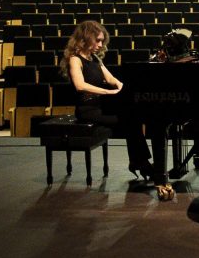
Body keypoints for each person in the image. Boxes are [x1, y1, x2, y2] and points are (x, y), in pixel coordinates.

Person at [60, 20, 163, 194]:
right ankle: (141, 163)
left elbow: (112, 80)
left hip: (101, 107)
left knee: (133, 117)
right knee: (129, 120)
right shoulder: (74, 60)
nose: (100, 45)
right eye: (97, 40)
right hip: (88, 111)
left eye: (102, 41)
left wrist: (128, 89)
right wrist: (108, 93)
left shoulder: (95, 59)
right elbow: (80, 85)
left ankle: (140, 162)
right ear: (85, 38)